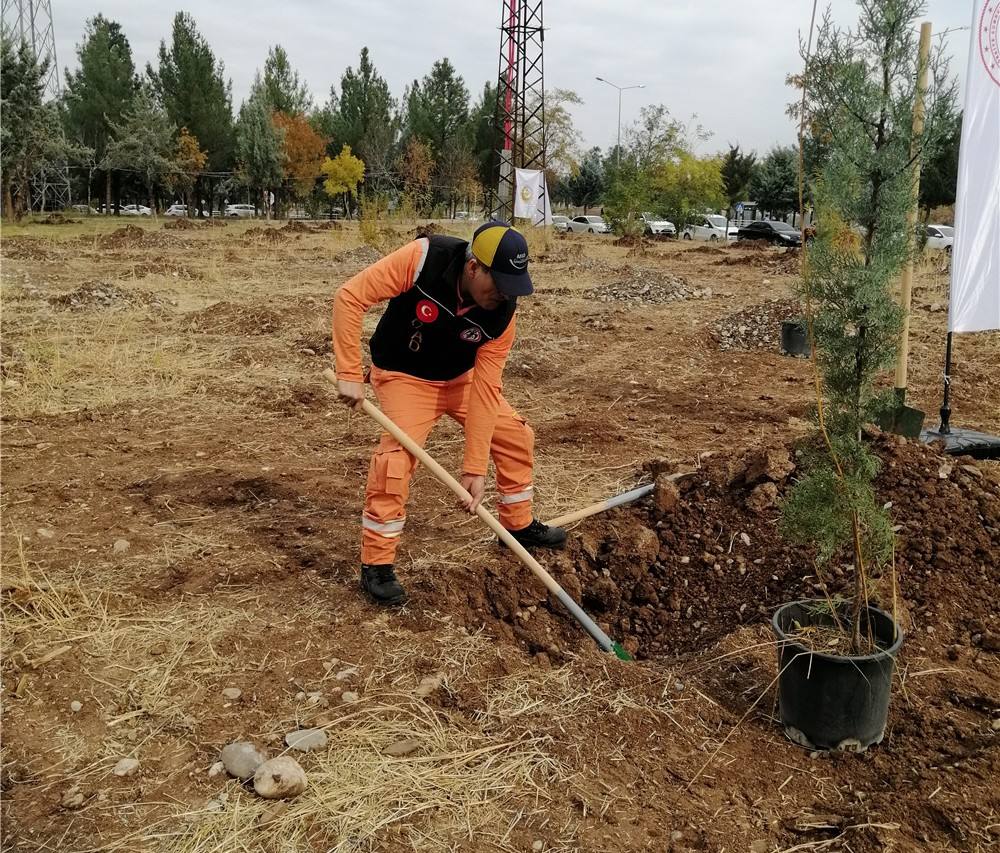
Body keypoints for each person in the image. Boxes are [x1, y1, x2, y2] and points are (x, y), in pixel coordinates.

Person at [332, 221, 567, 606]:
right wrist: (348, 372)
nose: (505, 295)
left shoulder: (503, 314)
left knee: (514, 434)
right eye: (499, 284)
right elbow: (350, 297)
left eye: (513, 286)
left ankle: (517, 525)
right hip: (404, 376)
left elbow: (486, 391)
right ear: (473, 267)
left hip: (461, 380)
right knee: (395, 461)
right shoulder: (423, 258)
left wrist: (474, 469)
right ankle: (377, 563)